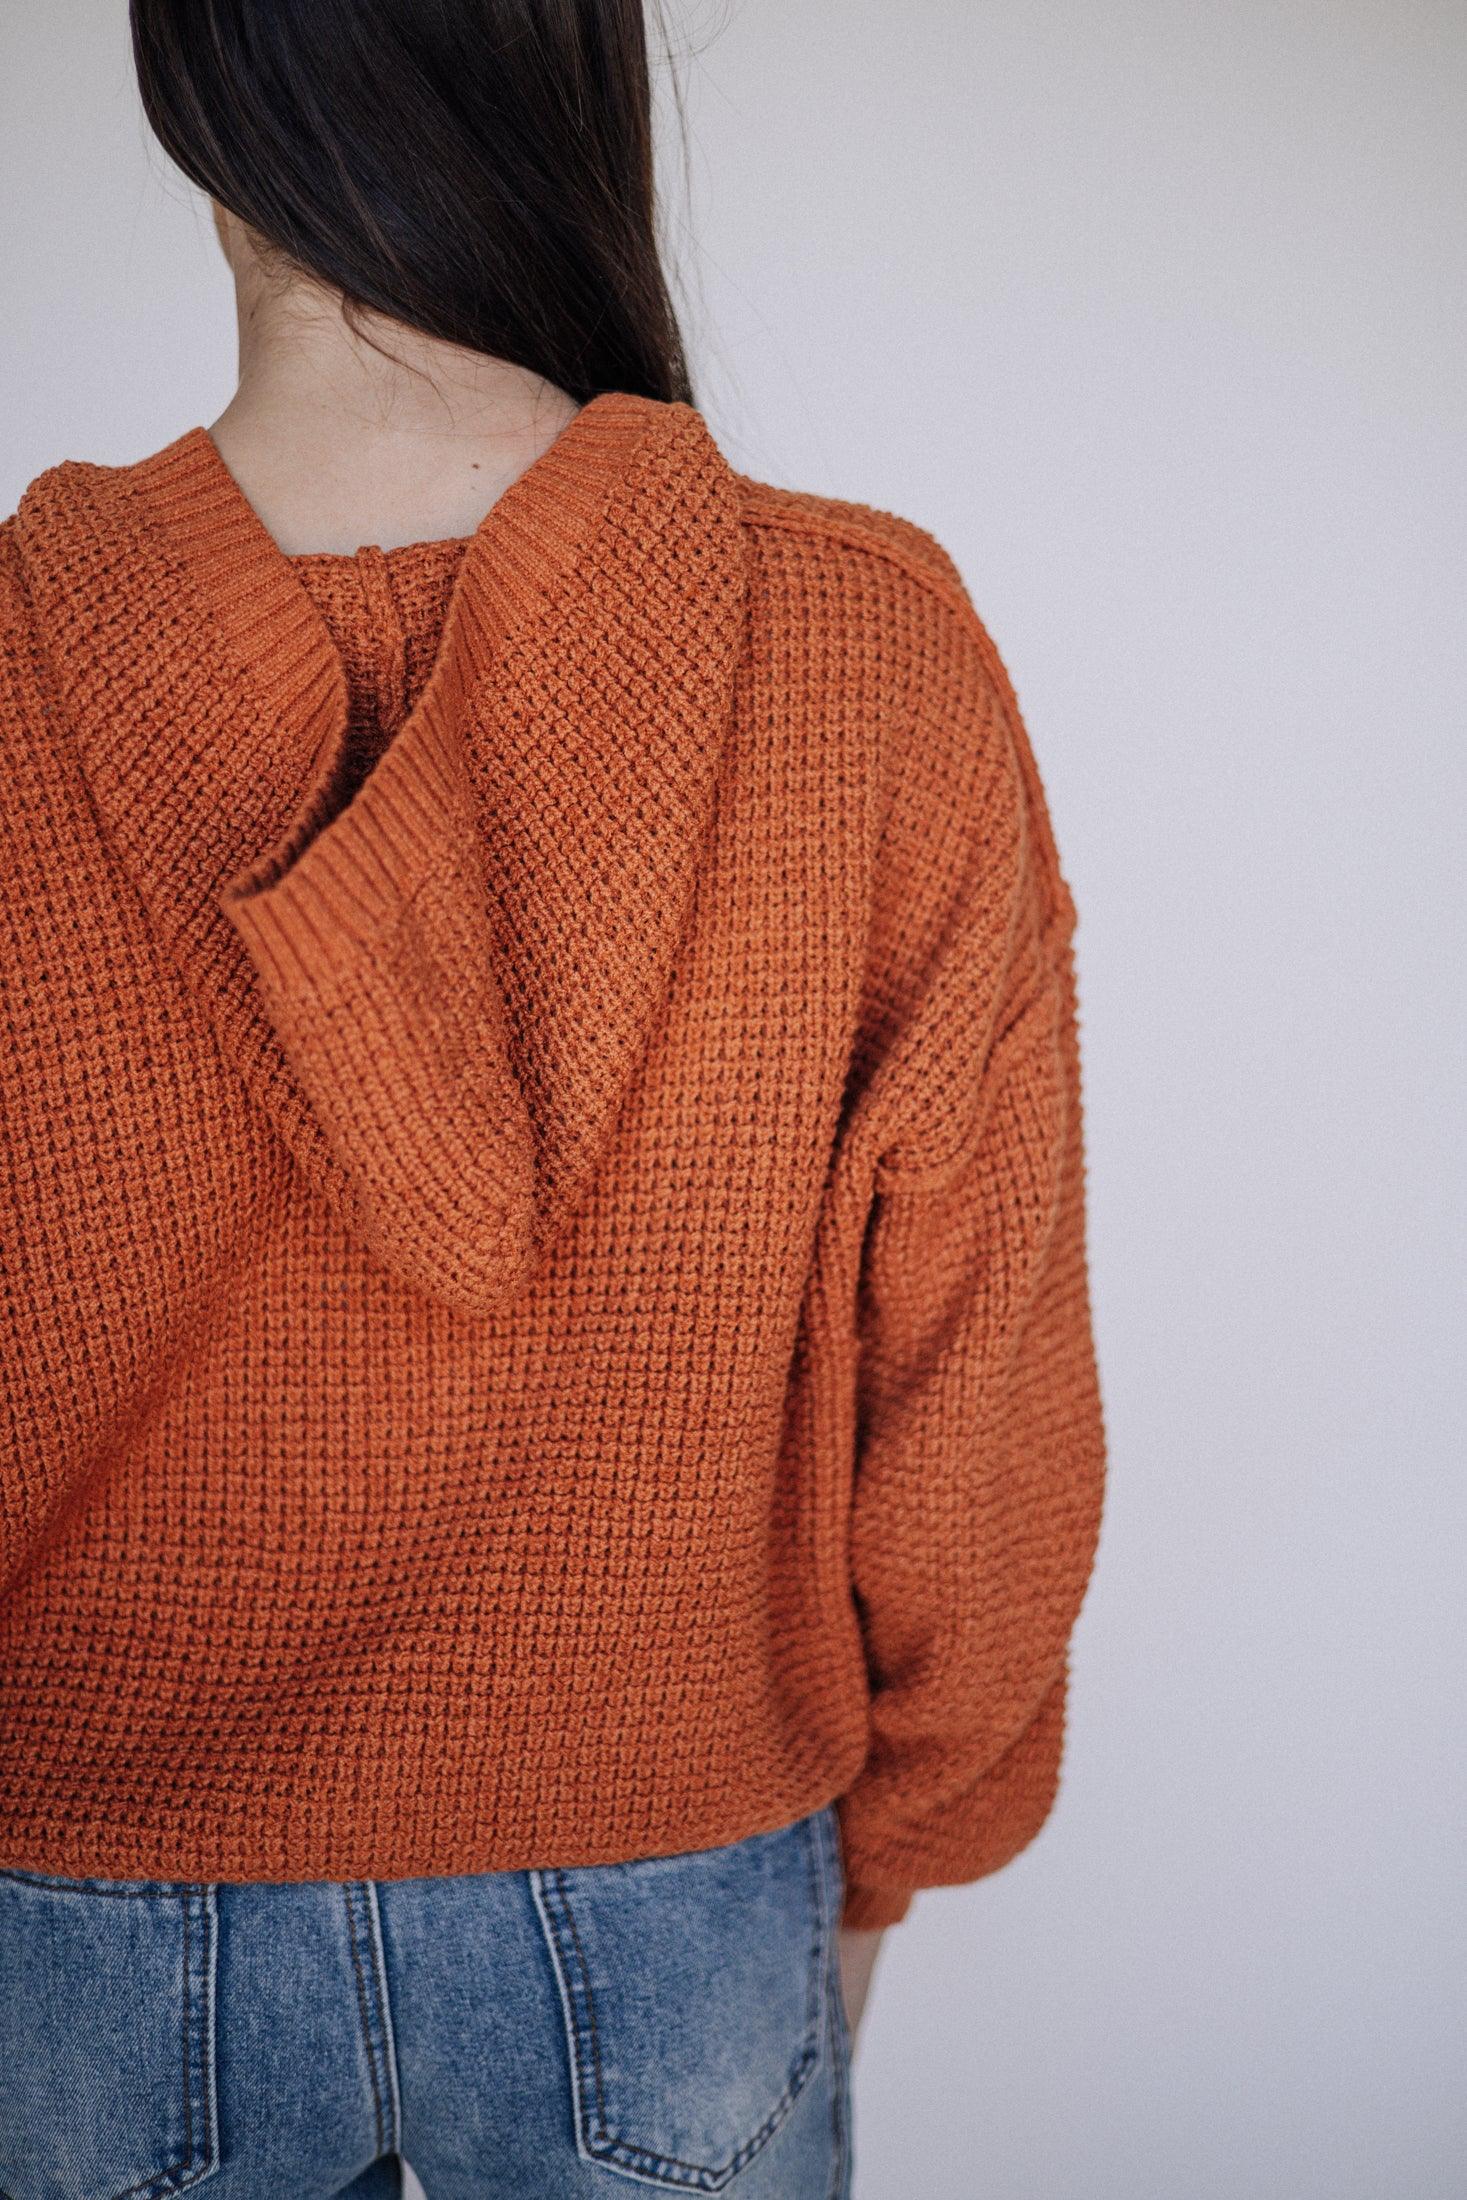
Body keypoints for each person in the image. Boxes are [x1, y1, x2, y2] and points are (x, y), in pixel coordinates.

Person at [0, 2, 1107, 2194]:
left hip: (86, 1914)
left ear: (197, 102)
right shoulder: (864, 654)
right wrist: (896, 1845)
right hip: (676, 1875)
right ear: (577, 81)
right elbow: (977, 1384)